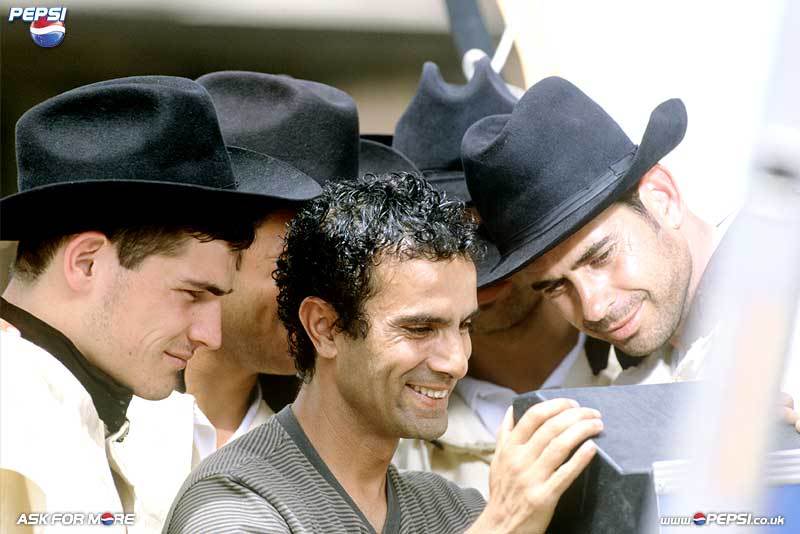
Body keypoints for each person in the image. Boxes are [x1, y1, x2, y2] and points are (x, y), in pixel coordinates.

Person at [164, 173, 604, 534]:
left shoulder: (451, 510)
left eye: (464, 326)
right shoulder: (231, 501)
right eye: (419, 328)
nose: (456, 362)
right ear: (325, 327)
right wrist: (503, 525)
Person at [115, 70, 419, 532]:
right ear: (218, 239)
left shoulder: (345, 440)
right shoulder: (82, 412)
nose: (331, 300)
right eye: (303, 263)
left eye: (347, 272)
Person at [461, 76, 800, 427]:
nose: (593, 307)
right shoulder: (631, 394)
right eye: (556, 287)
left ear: (663, 198)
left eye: (600, 256)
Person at [0, 76, 261, 530]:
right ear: (86, 263)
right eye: (191, 293)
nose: (211, 335)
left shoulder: (141, 420)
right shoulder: (16, 412)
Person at [390, 60, 619, 496]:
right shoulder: (388, 443)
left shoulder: (658, 374)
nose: (475, 263)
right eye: (442, 238)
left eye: (498, 228)